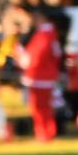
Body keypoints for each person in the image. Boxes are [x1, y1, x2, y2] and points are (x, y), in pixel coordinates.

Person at [18, 8, 62, 142]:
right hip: (46, 76)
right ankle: (47, 132)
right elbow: (57, 54)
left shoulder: (44, 35)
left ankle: (44, 133)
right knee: (45, 106)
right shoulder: (50, 34)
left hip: (39, 76)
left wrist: (22, 58)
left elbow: (36, 57)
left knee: (39, 107)